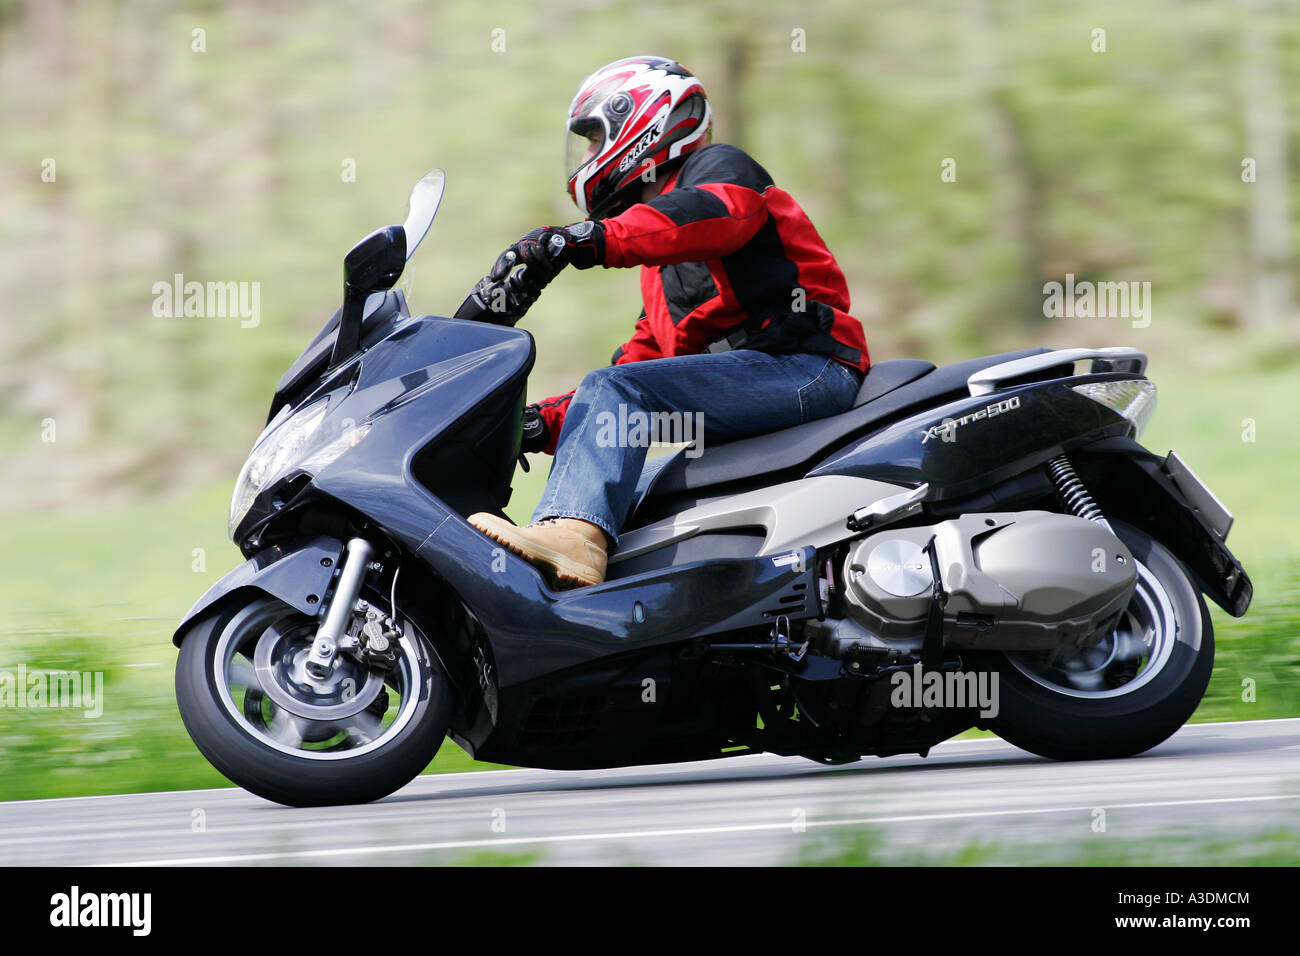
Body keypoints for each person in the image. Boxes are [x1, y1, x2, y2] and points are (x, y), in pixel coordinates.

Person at [468, 55, 869, 589]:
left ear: (644, 122)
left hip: (808, 367)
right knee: (638, 496)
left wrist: (585, 240)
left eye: (594, 139)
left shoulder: (722, 173)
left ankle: (573, 538)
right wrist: (533, 423)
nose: (587, 156)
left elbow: (708, 219)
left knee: (618, 393)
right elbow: (640, 366)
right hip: (756, 384)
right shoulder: (661, 271)